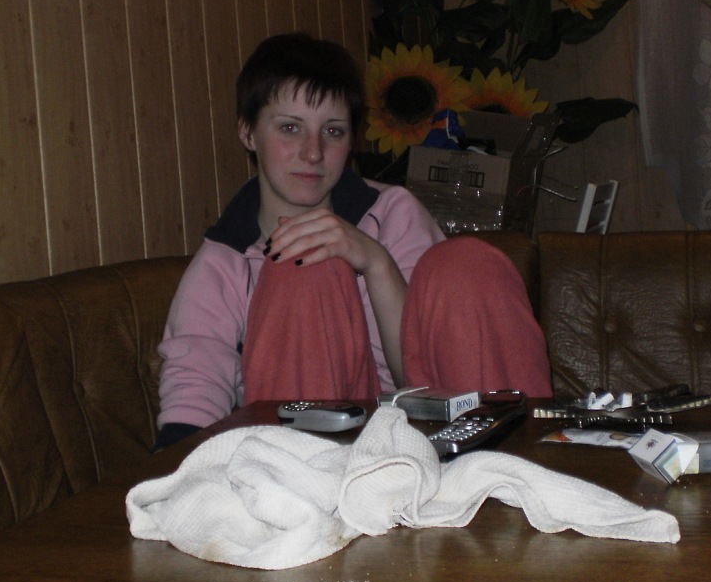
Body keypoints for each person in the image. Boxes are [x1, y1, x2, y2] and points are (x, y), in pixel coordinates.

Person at [153, 32, 552, 449]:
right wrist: (172, 474)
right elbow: (194, 391)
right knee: (302, 265)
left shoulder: (394, 214)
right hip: (315, 457)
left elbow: (423, 373)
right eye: (290, 128)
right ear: (248, 133)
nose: (313, 152)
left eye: (333, 131)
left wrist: (375, 262)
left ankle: (521, 464)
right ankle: (302, 478)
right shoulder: (223, 260)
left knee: (468, 262)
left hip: (440, 439)